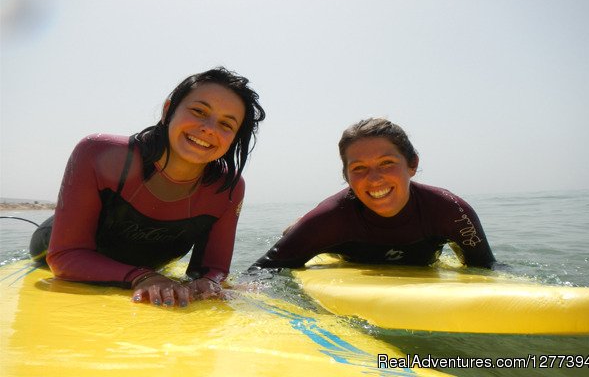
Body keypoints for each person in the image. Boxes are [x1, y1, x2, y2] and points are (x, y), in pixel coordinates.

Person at [30, 67, 266, 307]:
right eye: (198, 111)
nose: (209, 128)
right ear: (168, 110)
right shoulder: (98, 153)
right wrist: (142, 276)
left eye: (226, 124)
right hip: (50, 244)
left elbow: (212, 269)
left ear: (234, 138)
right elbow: (64, 256)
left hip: (142, 266)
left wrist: (208, 282)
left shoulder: (227, 188)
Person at [252, 117, 495, 270]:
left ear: (412, 164)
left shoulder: (449, 211)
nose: (374, 178)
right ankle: (299, 226)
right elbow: (263, 271)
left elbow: (486, 268)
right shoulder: (332, 218)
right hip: (340, 250)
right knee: (304, 230)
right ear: (347, 177)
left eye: (387, 163)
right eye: (359, 168)